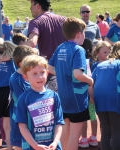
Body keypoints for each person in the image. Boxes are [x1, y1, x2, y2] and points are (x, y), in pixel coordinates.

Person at [48, 17, 93, 150]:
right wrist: (90, 80)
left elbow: (49, 68)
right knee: (75, 134)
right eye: (84, 33)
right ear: (79, 34)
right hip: (76, 98)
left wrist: (62, 73)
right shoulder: (78, 49)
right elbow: (77, 74)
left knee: (65, 131)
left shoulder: (60, 47)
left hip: (63, 97)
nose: (84, 36)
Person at [16, 55, 64, 150]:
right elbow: (22, 126)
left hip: (52, 146)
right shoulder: (24, 98)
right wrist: (35, 146)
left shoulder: (54, 96)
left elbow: (59, 123)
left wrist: (55, 142)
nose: (40, 77)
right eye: (34, 73)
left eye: (42, 72)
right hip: (32, 147)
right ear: (25, 77)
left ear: (47, 73)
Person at [22, 0, 66, 91]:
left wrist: (16, 48)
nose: (30, 8)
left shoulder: (35, 22)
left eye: (31, 5)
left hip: (48, 72)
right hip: (66, 69)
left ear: (37, 6)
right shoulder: (63, 19)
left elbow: (32, 43)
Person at [90, 41, 120, 150]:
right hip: (114, 99)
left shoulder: (100, 65)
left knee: (106, 130)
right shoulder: (118, 64)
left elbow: (91, 83)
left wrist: (92, 97)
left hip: (99, 99)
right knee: (116, 130)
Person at [9, 45, 38, 150]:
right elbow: (24, 101)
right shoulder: (15, 79)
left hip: (32, 118)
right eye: (31, 62)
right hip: (20, 119)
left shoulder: (30, 76)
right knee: (19, 145)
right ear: (21, 64)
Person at [78, 39, 98, 148]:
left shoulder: (82, 61)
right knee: (93, 116)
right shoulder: (93, 61)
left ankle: (84, 139)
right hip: (92, 92)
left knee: (84, 118)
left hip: (83, 93)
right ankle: (94, 138)